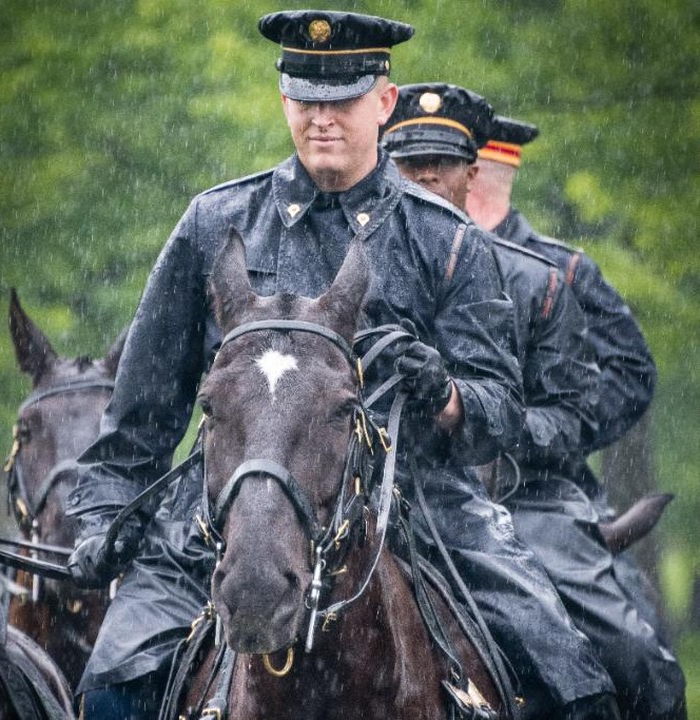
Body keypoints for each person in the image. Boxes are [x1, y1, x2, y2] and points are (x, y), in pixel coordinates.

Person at [67, 12, 613, 720]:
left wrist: (445, 395)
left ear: (383, 103)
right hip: (225, 516)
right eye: (306, 100)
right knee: (109, 689)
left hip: (424, 513)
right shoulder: (212, 224)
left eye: (343, 101)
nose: (322, 119)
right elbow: (140, 416)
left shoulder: (444, 240)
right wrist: (102, 519)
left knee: (575, 683)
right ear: (285, 100)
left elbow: (500, 413)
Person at [461, 110, 687, 718]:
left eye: (442, 167)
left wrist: (547, 434)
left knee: (635, 659)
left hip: (539, 490)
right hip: (421, 484)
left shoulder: (560, 269)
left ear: (472, 172)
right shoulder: (401, 256)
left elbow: (631, 373)